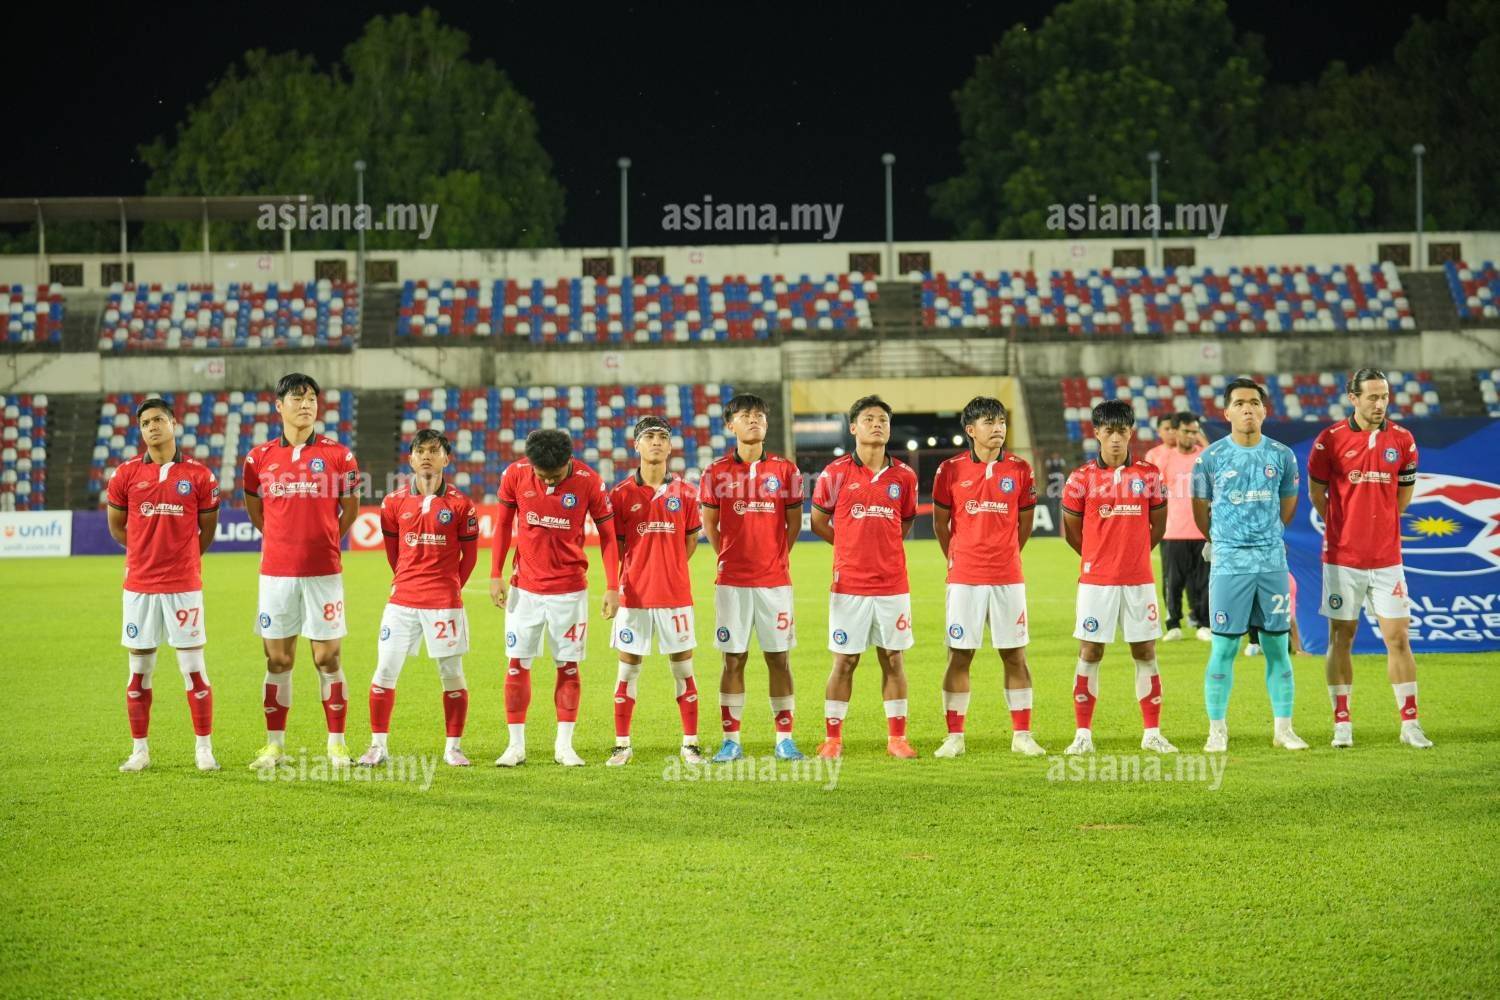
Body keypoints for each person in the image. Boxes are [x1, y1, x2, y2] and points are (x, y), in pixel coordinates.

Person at [244, 373, 361, 769]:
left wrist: (323, 539)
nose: (306, 404)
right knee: (277, 660)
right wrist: (281, 540)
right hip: (275, 574)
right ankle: (274, 746)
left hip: (323, 572)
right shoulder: (258, 458)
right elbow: (256, 508)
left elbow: (350, 510)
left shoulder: (339, 455)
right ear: (279, 406)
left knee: (327, 657)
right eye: (297, 398)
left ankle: (337, 744)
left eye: (311, 398)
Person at [1308, 367, 1431, 748]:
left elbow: (1402, 498)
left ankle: (1410, 724)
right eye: (1373, 397)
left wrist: (1379, 525)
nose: (1380, 404)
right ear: (1353, 398)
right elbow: (1317, 494)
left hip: (1387, 559)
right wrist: (1344, 527)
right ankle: (1342, 723)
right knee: (1341, 637)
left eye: (1385, 397)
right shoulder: (1330, 440)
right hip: (1342, 560)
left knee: (1398, 638)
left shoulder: (1403, 440)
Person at [489, 429, 620, 767]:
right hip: (524, 590)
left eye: (556, 475)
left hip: (569, 591)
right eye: (542, 475)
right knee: (517, 664)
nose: (549, 480)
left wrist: (612, 585)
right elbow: (502, 525)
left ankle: (564, 746)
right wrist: (495, 573)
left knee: (568, 666)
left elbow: (608, 536)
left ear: (568, 462)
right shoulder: (515, 474)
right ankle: (515, 746)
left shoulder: (589, 481)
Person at [1192, 377, 1305, 752]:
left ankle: (1284, 729)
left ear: (1264, 410)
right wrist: (1225, 540)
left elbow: (1287, 506)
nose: (1247, 409)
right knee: (1224, 648)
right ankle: (1217, 730)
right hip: (1229, 564)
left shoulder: (1282, 456)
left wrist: (1265, 535)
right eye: (1239, 403)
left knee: (1277, 648)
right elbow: (1199, 513)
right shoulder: (1210, 459)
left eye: (1254, 402)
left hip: (1271, 563)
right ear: (1226, 412)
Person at [108, 397, 221, 772]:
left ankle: (203, 749)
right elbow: (117, 527)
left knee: (193, 669)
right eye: (145, 423)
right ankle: (139, 750)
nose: (152, 427)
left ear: (174, 423)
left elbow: (207, 530)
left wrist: (182, 558)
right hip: (139, 587)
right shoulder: (125, 475)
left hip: (183, 586)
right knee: (139, 671)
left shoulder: (200, 476)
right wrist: (144, 553)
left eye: (158, 420)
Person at [930, 396, 1046, 758]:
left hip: (1007, 577)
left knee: (1014, 654)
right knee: (959, 654)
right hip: (965, 578)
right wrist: (959, 558)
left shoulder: (1020, 469)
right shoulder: (949, 470)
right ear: (970, 429)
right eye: (989, 422)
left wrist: (1005, 554)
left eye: (1001, 422)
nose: (998, 428)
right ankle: (954, 736)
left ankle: (1022, 735)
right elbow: (941, 524)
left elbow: (1024, 524)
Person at [1060, 400, 1177, 755]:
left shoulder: (1149, 475)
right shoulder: (1080, 478)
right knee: (1090, 651)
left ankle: (1152, 733)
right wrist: (1098, 558)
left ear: (1131, 433)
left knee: (1145, 650)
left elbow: (1158, 527)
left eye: (1121, 431)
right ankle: (1083, 735)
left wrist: (1133, 555)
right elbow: (1072, 531)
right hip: (1097, 582)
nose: (1115, 438)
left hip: (1139, 579)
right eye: (1108, 431)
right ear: (1096, 433)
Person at [360, 430, 479, 768]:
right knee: (385, 669)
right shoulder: (393, 502)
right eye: (420, 451)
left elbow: (469, 558)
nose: (427, 456)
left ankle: (453, 747)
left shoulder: (461, 504)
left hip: (444, 605)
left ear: (446, 459)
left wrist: (449, 588)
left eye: (434, 450)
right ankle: (377, 746)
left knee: (452, 673)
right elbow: (393, 554)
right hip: (402, 603)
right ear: (411, 459)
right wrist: (407, 581)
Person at [698, 393, 806, 762]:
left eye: (759, 415)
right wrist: (729, 556)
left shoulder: (786, 471)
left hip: (775, 582)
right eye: (745, 415)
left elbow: (793, 523)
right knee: (733, 659)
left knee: (779, 659)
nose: (754, 420)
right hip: (732, 583)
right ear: (731, 425)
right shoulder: (715, 472)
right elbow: (710, 524)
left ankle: (784, 739)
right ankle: (731, 740)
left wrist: (776, 557)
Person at [811, 395, 919, 759]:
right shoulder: (835, 473)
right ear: (854, 427)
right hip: (849, 586)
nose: (877, 425)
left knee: (893, 658)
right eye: (869, 419)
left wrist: (880, 549)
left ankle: (897, 739)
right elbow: (818, 521)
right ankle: (833, 740)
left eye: (883, 420)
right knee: (845, 661)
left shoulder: (904, 476)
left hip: (892, 585)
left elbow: (904, 523)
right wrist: (849, 548)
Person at [606, 417, 706, 766]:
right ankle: (622, 744)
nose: (656, 442)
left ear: (670, 445)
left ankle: (690, 744)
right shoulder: (620, 494)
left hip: (675, 596)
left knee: (684, 670)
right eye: (649, 436)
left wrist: (668, 568)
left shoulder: (687, 493)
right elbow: (617, 547)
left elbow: (689, 543)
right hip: (634, 597)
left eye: (663, 436)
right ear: (636, 445)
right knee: (627, 671)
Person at [1156, 412, 1211, 641]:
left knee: (1204, 581)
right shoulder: (1165, 459)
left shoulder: (1205, 457)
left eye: (1194, 431)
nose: (1190, 436)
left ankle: (1204, 624)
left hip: (1202, 530)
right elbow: (1156, 494)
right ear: (1176, 431)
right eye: (1186, 431)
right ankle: (1173, 625)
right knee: (1173, 581)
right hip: (1173, 531)